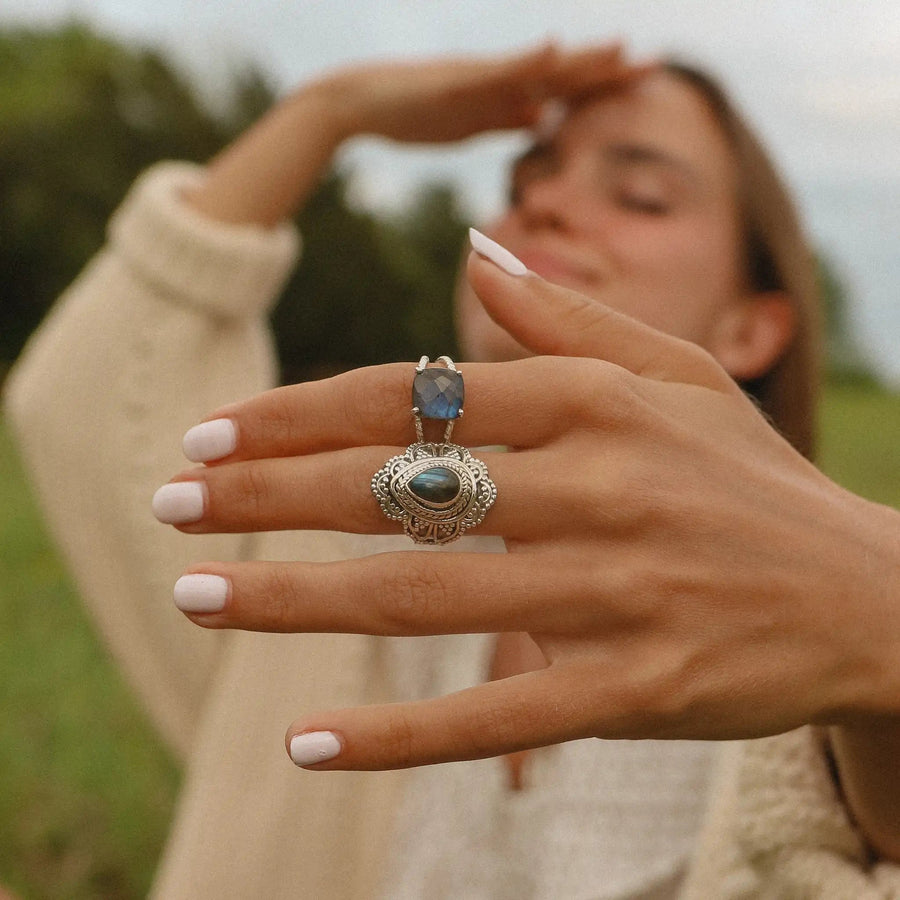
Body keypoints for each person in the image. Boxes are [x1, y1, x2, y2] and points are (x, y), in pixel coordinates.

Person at [5, 42, 898, 897]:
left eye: (641, 194)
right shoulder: (335, 565)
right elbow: (93, 394)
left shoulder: (812, 662)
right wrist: (332, 109)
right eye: (526, 180)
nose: (543, 204)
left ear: (752, 328)